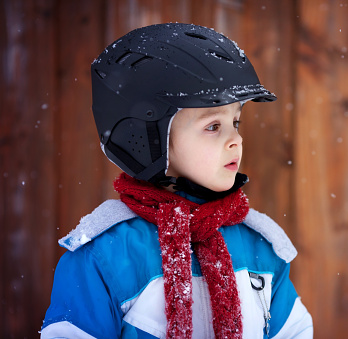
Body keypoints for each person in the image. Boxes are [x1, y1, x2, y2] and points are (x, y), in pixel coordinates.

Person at [41, 23, 313, 339]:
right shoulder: (107, 255)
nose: (235, 139)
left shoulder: (261, 249)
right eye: (213, 126)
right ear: (147, 137)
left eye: (235, 122)